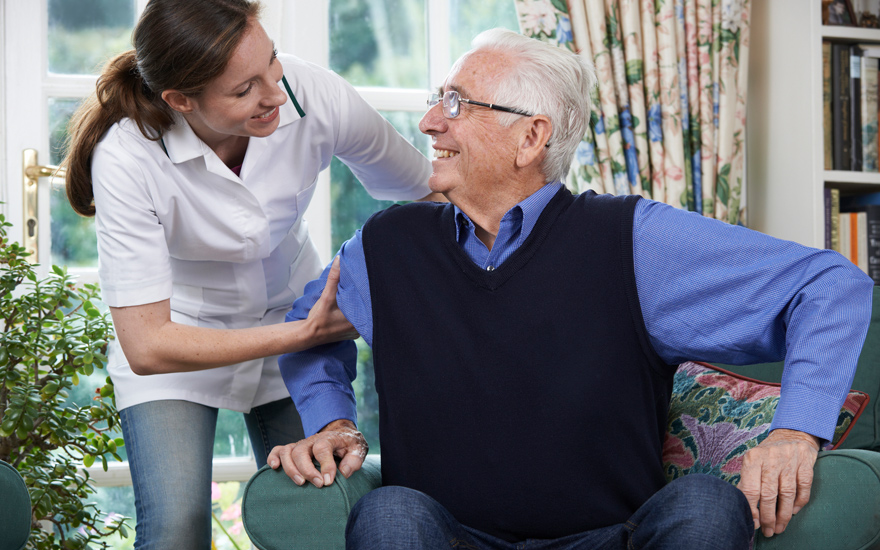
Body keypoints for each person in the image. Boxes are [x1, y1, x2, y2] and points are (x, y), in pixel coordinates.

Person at [267, 28, 873, 549]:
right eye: (436, 101)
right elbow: (307, 330)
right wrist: (332, 423)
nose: (428, 122)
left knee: (707, 504)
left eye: (456, 104)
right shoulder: (385, 244)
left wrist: (795, 431)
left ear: (531, 138)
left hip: (612, 536)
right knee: (389, 511)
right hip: (451, 536)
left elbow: (829, 285)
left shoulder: (636, 240)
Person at [61, 0, 436, 547]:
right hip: (180, 337)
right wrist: (304, 333)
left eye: (272, 61)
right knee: (174, 529)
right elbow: (147, 345)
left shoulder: (312, 94)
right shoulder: (126, 156)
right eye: (243, 90)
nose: (275, 94)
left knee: (317, 519)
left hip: (291, 312)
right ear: (180, 100)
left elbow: (429, 191)